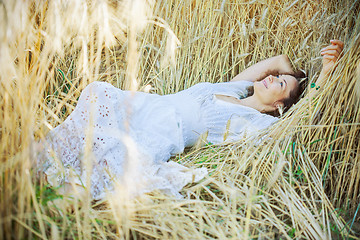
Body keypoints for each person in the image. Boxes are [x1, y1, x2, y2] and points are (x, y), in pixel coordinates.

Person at [38, 40, 344, 199]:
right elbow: (275, 62)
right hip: (145, 106)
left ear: (278, 107)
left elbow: (300, 119)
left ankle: (53, 204)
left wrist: (325, 74)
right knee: (86, 117)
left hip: (158, 133)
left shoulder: (254, 122)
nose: (273, 78)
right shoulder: (236, 89)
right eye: (276, 78)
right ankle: (30, 179)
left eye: (279, 84)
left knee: (101, 169)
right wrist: (293, 75)